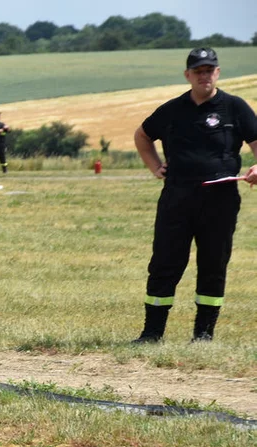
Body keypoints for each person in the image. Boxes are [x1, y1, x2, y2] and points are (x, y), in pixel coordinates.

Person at [133, 47, 257, 343]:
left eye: (209, 70)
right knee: (165, 261)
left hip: (220, 198)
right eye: (198, 71)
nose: (204, 76)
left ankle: (203, 333)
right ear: (188, 75)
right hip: (178, 195)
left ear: (218, 73)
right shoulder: (173, 110)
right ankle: (152, 333)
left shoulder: (235, 108)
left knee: (214, 261)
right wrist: (154, 166)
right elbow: (142, 135)